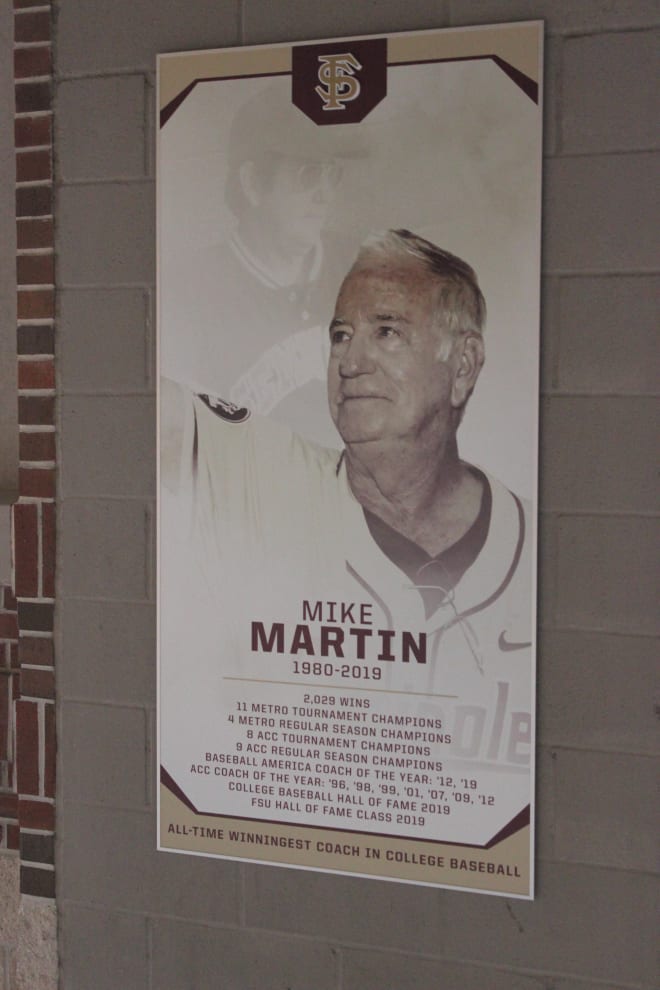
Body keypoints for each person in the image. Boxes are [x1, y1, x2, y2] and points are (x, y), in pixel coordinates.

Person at [160, 229, 533, 847]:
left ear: (462, 365)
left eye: (386, 330)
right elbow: (123, 396)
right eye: (340, 335)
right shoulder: (270, 473)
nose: (351, 360)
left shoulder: (533, 541)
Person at [161, 83, 364, 446]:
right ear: (253, 183)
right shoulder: (188, 294)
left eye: (331, 174)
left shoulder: (366, 266)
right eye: (307, 174)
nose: (325, 194)